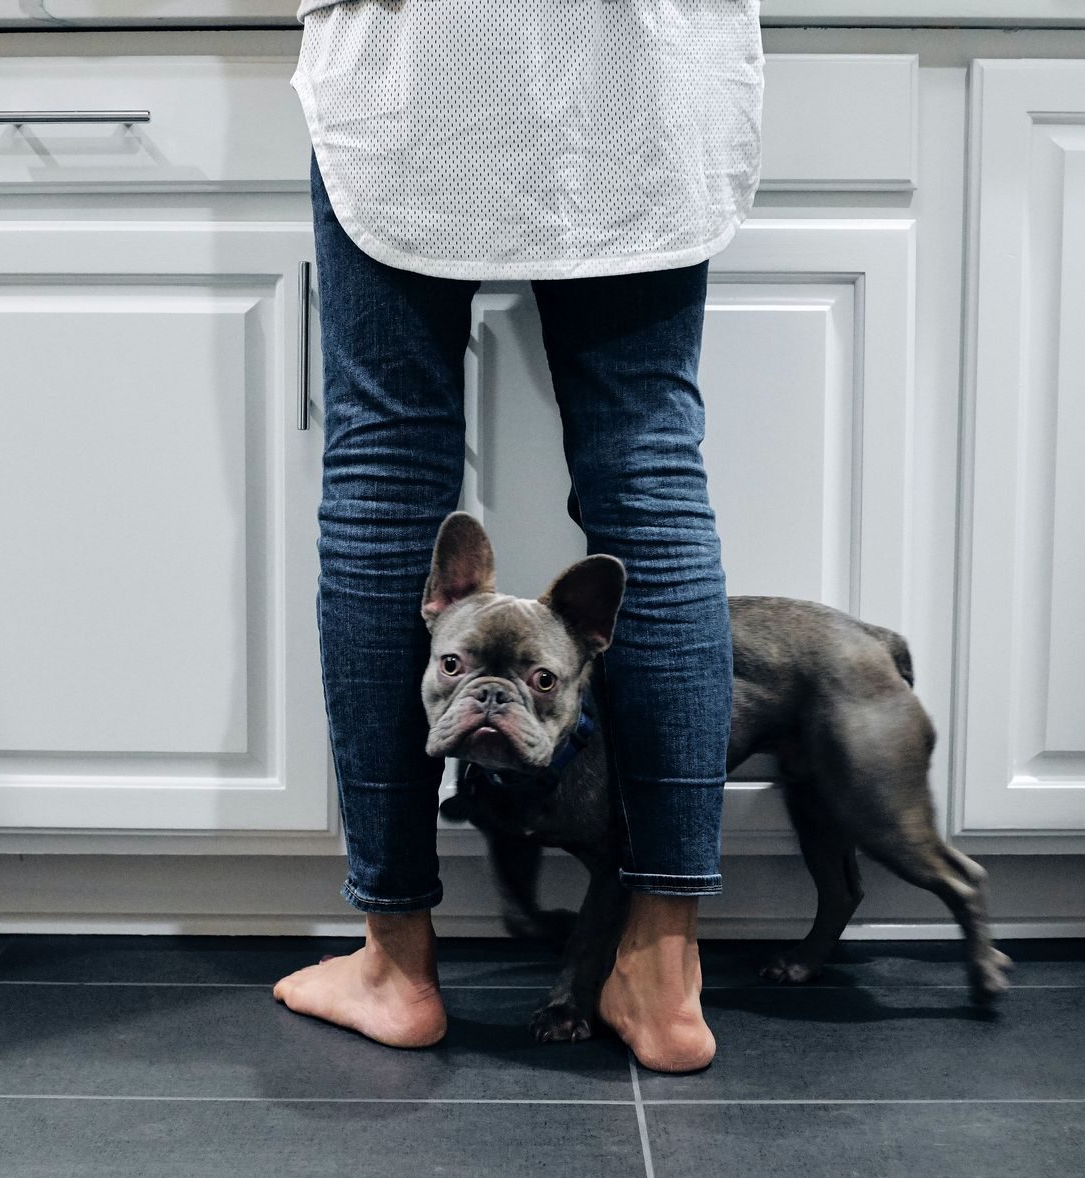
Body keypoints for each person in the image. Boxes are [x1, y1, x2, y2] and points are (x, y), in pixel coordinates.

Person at [273, 0, 764, 1074]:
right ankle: (662, 978)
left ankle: (396, 965)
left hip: (422, 53)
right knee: (647, 457)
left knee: (387, 456)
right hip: (642, 55)